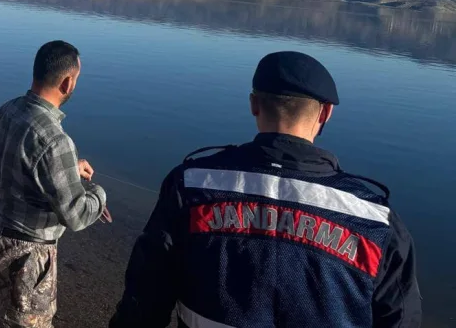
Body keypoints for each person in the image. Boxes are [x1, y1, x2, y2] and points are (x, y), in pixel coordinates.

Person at [109, 51, 421, 328]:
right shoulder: (375, 221)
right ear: (325, 113)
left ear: (254, 104)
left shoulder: (192, 187)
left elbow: (144, 302)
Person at [0, 40, 110, 328]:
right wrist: (98, 195)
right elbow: (75, 216)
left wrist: (68, 170)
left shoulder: (7, 111)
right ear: (67, 82)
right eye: (76, 79)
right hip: (26, 258)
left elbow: (17, 168)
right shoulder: (56, 140)